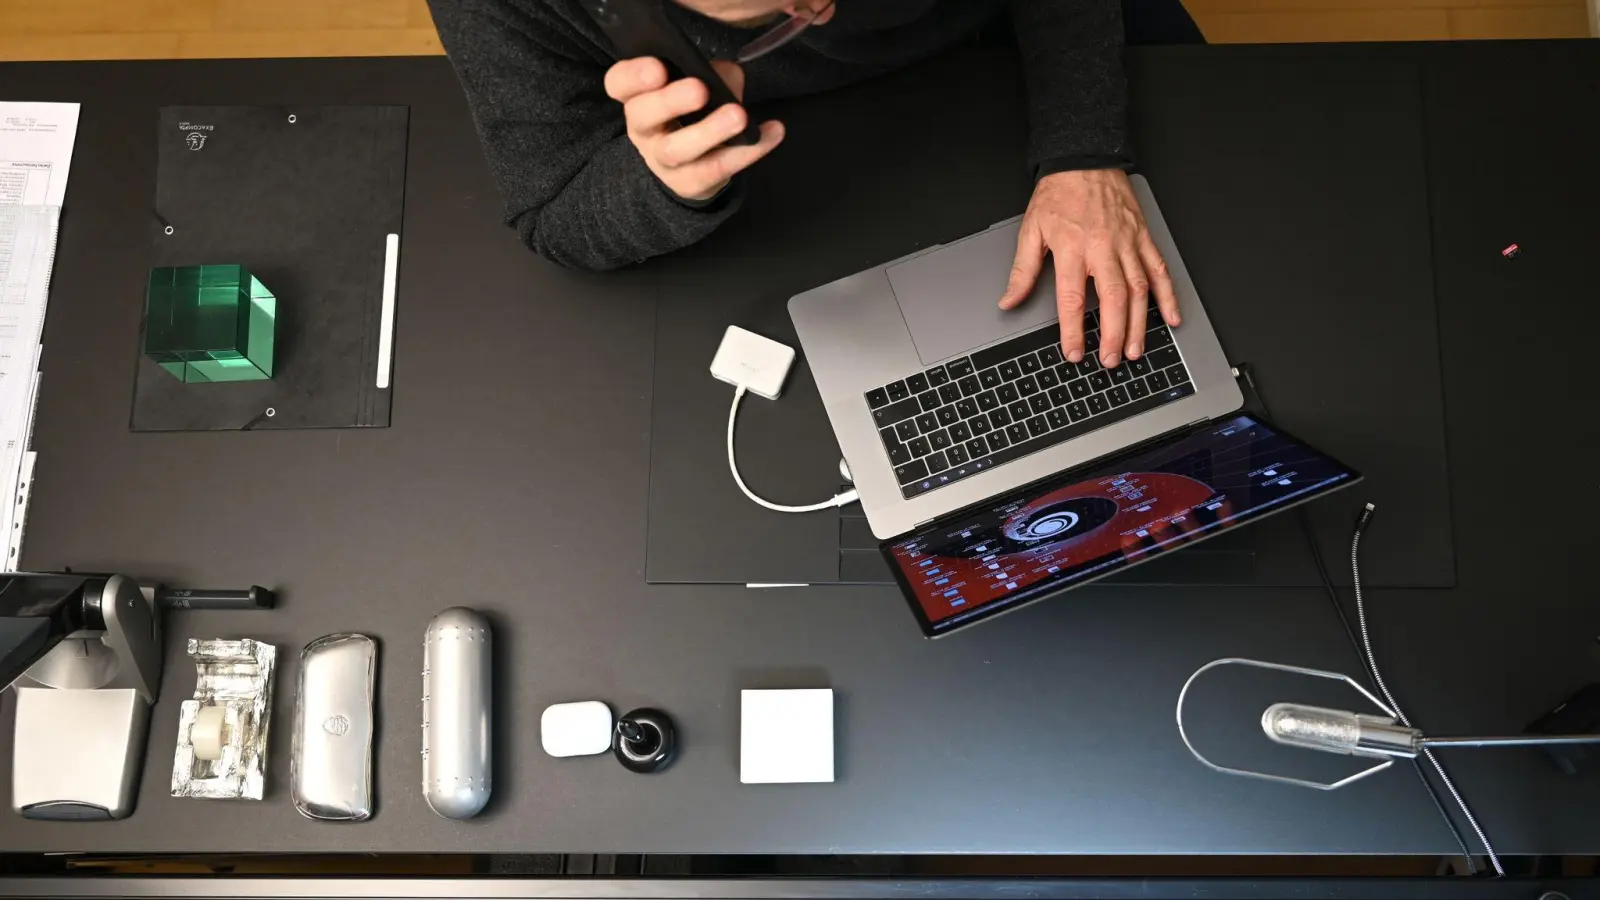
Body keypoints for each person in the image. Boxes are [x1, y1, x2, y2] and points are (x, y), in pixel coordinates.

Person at [430, 0, 1202, 368]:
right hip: (797, 181)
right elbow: (551, 209)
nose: (825, 12)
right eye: (787, 10)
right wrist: (663, 184)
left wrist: (1084, 148)